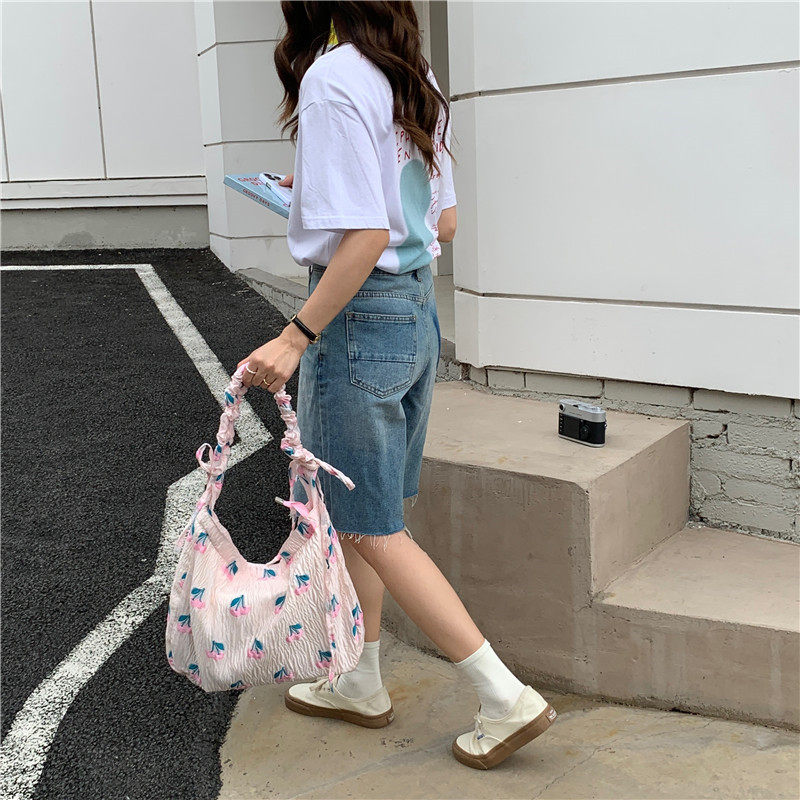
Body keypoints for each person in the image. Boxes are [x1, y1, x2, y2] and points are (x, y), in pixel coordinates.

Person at [237, 1, 556, 770]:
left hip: (356, 318)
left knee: (371, 522)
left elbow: (367, 235)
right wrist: (315, 193)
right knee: (365, 513)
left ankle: (503, 696)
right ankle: (359, 678)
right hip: (413, 311)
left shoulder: (332, 78)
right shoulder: (413, 73)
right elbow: (439, 224)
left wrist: (293, 336)